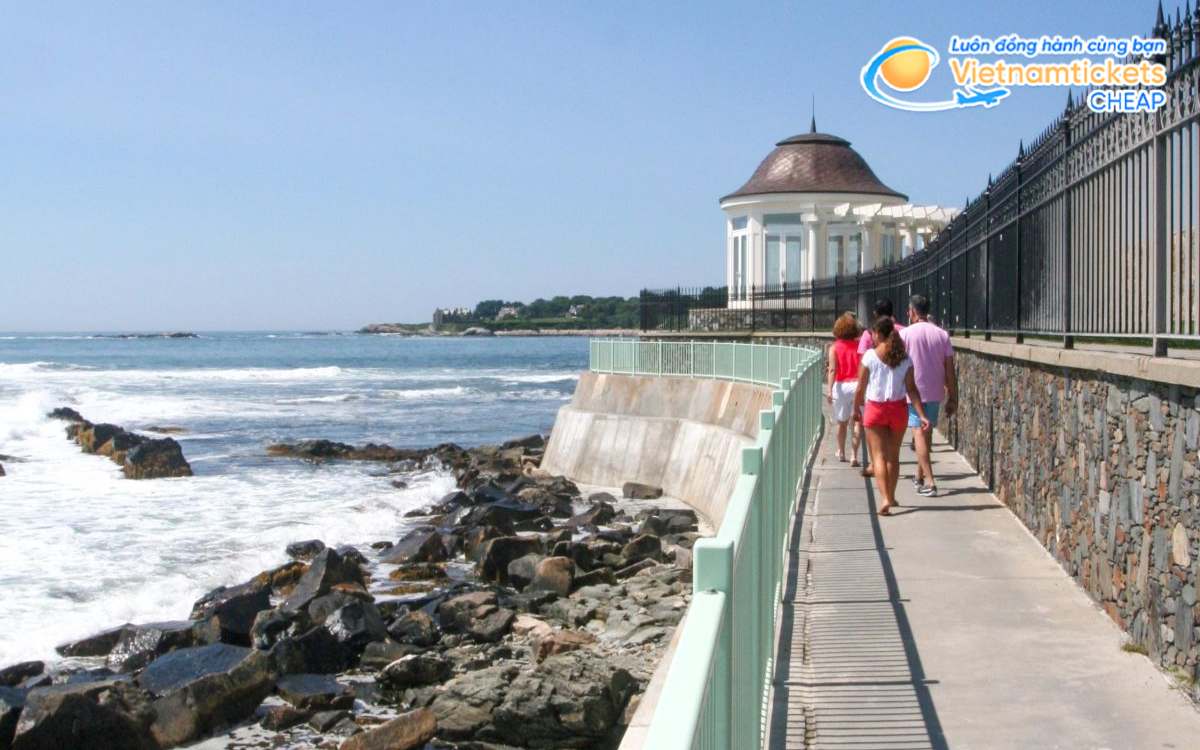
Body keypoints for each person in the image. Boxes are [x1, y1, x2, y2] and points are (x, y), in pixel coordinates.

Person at [853, 317, 929, 516]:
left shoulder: (870, 356)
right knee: (893, 456)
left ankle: (885, 498)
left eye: (873, 334)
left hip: (875, 408)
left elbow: (860, 387)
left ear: (878, 334)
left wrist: (856, 408)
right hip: (898, 409)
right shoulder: (904, 358)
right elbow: (912, 390)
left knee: (878, 456)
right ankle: (892, 495)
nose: (873, 338)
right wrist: (921, 414)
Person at [900, 294, 957, 497]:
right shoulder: (942, 335)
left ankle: (931, 483)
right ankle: (920, 476)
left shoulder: (905, 335)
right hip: (935, 391)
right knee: (926, 433)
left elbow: (898, 364)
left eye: (909, 311)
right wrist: (953, 397)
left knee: (919, 434)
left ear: (913, 312)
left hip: (913, 392)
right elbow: (949, 369)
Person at [857, 299, 904, 475]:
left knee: (876, 445)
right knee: (893, 454)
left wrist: (858, 394)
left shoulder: (870, 334)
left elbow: (862, 360)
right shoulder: (902, 331)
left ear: (875, 314)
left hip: (874, 396)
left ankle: (873, 466)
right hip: (897, 397)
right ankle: (889, 493)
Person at [825, 312, 862, 463]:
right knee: (857, 421)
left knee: (842, 423)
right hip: (857, 384)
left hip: (841, 386)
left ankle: (841, 452)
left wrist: (829, 390)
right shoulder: (860, 346)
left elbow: (832, 370)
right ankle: (854, 455)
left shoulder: (834, 348)